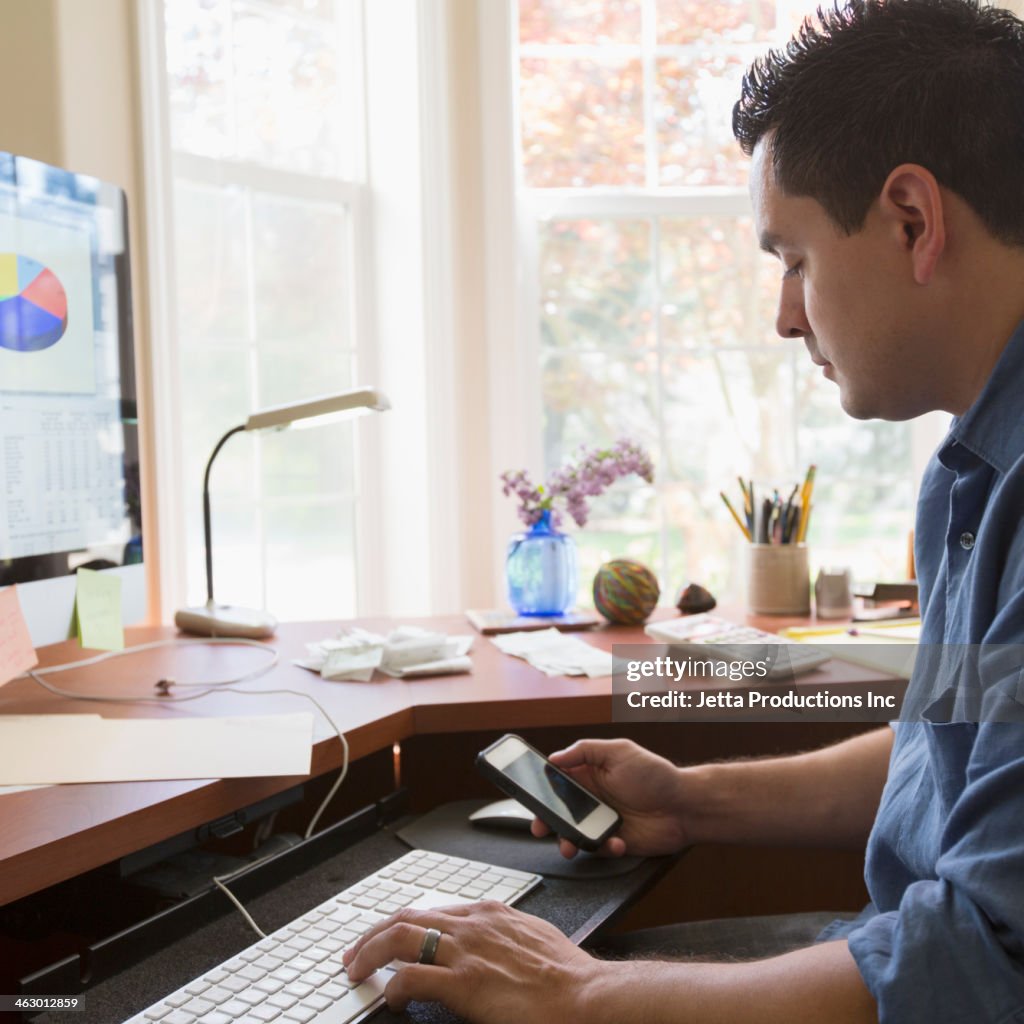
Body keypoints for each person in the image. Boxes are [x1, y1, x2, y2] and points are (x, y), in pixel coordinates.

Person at [343, 1, 1024, 1019]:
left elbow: (986, 963)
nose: (784, 314)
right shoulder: (970, 470)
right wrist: (691, 800)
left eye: (793, 259)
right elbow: (955, 753)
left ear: (912, 221)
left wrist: (579, 994)